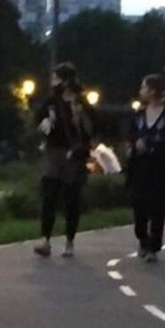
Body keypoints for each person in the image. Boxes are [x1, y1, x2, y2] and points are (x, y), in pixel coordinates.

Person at [33, 63, 98, 258]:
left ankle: (70, 240)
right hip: (53, 152)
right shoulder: (51, 101)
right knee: (49, 195)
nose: (53, 82)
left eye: (56, 78)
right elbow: (38, 119)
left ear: (66, 80)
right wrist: (46, 123)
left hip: (74, 155)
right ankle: (45, 239)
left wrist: (79, 119)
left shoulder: (81, 103)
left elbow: (93, 127)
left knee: (71, 198)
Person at [127, 73, 165, 263]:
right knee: (139, 205)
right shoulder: (138, 115)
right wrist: (136, 143)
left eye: (144, 87)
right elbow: (131, 135)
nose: (141, 91)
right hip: (139, 167)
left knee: (158, 208)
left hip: (159, 168)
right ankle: (142, 238)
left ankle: (153, 247)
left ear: (152, 91)